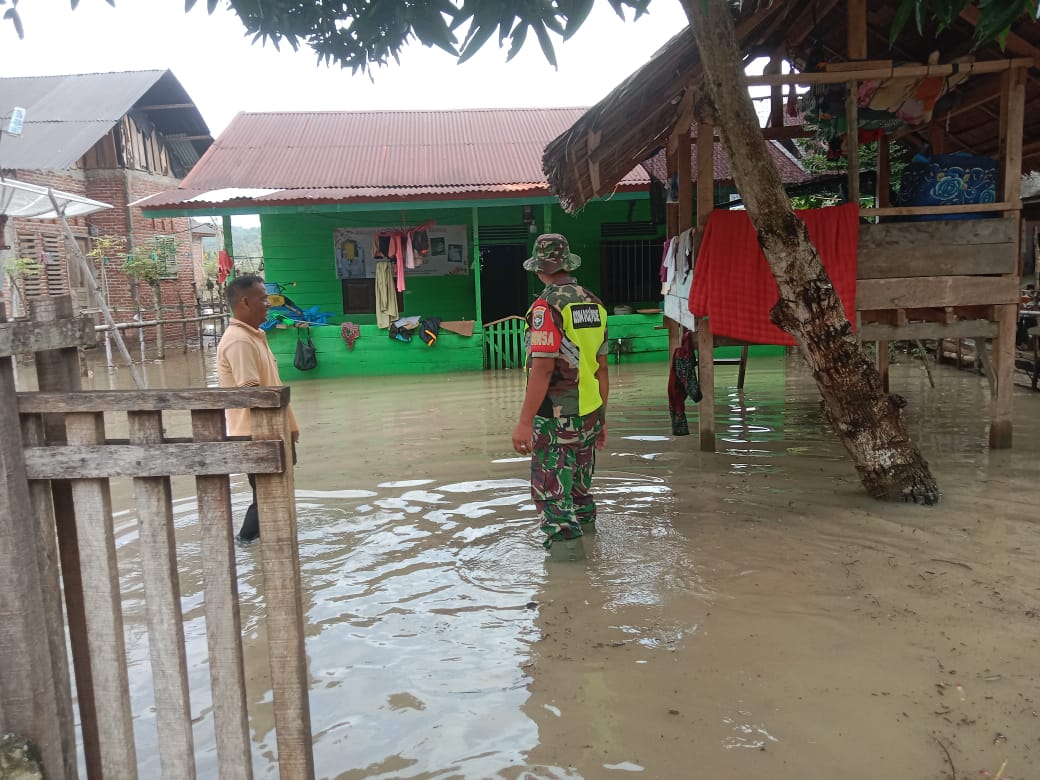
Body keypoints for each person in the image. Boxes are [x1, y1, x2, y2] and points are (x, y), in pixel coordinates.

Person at [511, 234, 609, 562]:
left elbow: (542, 369)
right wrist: (603, 420)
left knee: (553, 498)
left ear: (540, 270)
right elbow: (602, 368)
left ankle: (570, 584)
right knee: (580, 493)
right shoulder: (594, 303)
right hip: (590, 414)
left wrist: (525, 423)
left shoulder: (545, 307)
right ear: (566, 265)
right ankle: (594, 559)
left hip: (557, 418)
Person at [217, 274, 300, 546]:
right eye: (263, 299)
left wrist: (290, 427)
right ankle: (245, 544)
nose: (269, 304)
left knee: (272, 495)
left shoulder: (254, 336)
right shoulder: (240, 341)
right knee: (266, 497)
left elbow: (272, 388)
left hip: (272, 431)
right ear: (244, 302)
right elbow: (254, 394)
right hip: (257, 433)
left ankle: (263, 542)